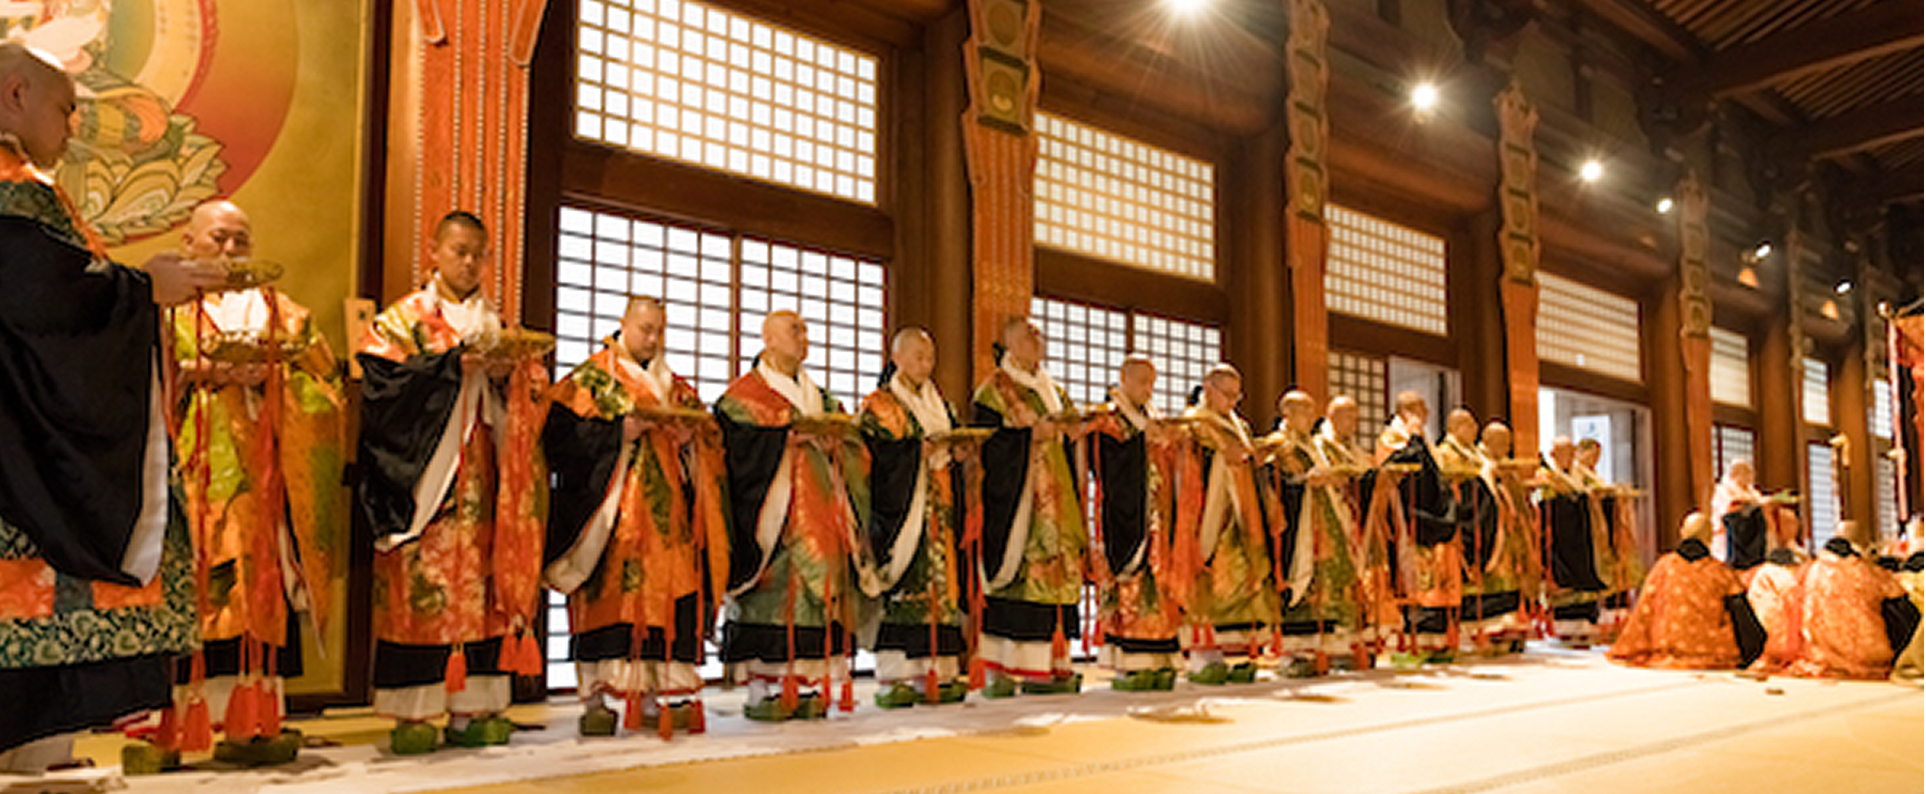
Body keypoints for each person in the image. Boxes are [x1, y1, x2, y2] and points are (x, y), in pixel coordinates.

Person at [0, 41, 227, 767]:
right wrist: (141, 290)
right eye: (65, 109)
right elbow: (43, 299)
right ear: (15, 95)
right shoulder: (10, 192)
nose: (71, 128)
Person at [356, 211, 550, 753]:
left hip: (486, 477)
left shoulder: (500, 327)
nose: (469, 262)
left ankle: (476, 708)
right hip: (427, 481)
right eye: (460, 251)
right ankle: (414, 711)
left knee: (483, 590)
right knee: (423, 589)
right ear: (434, 252)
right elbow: (381, 390)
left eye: (478, 254)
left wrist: (510, 377)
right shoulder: (401, 321)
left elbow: (536, 391)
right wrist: (449, 371)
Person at [163, 200, 346, 764]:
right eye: (217, 237)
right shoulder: (166, 310)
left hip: (267, 477)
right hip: (192, 474)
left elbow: (329, 389)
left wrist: (274, 379)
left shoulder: (283, 314)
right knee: (195, 588)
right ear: (189, 242)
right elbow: (130, 385)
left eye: (240, 239)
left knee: (260, 590)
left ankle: (253, 722)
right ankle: (178, 725)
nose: (229, 249)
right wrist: (196, 374)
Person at [542, 297, 729, 737]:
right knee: (609, 600)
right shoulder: (592, 379)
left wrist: (689, 442)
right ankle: (597, 700)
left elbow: (711, 441)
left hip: (668, 522)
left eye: (659, 330)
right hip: (612, 517)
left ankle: (651, 698)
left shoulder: (677, 389)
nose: (652, 338)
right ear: (623, 324)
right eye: (645, 328)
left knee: (668, 602)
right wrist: (616, 434)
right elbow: (557, 442)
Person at [716, 311, 877, 720]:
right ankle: (765, 691)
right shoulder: (742, 399)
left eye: (805, 330)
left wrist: (839, 444)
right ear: (767, 338)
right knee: (772, 601)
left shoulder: (822, 400)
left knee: (816, 601)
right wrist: (781, 442)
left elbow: (856, 447)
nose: (803, 337)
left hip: (822, 516)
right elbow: (733, 456)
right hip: (773, 521)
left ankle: (808, 687)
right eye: (794, 330)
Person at [971, 318, 1086, 696]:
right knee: (1021, 579)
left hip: (1058, 501)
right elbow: (989, 447)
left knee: (1057, 581)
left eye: (1038, 335)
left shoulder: (1055, 391)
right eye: (1026, 336)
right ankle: (1004, 668)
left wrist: (1074, 437)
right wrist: (1029, 437)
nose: (1036, 341)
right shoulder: (994, 391)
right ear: (1007, 344)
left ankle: (1052, 665)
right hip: (1020, 503)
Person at [858, 328, 970, 707]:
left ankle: (939, 671)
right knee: (905, 588)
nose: (926, 364)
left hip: (940, 506)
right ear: (897, 358)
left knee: (942, 589)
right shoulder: (879, 406)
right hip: (903, 510)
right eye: (919, 356)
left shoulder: (943, 406)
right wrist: (911, 454)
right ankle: (895, 675)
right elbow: (871, 458)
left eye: (930, 357)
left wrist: (957, 454)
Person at [1166, 366, 1277, 685]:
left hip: (1242, 510)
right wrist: (1219, 456)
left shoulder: (1239, 425)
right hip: (1207, 510)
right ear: (1208, 388)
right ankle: (1204, 656)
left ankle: (1239, 653)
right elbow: (1183, 464)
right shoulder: (1194, 422)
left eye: (1236, 396)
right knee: (1210, 580)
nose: (1231, 401)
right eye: (1226, 394)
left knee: (1243, 576)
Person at [1082, 357, 1182, 691]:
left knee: (1159, 585)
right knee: (1130, 585)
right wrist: (1141, 441)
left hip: (1156, 515)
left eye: (1152, 383)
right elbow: (1105, 465)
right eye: (1142, 381)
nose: (1148, 389)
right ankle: (1129, 663)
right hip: (1125, 514)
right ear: (1123, 378)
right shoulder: (1107, 420)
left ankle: (1160, 657)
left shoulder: (1153, 417)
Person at [1268, 390, 1363, 676]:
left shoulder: (1312, 446)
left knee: (1330, 582)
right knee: (1301, 585)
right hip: (1297, 523)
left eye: (1312, 413)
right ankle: (1295, 653)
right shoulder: (1279, 445)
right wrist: (1304, 481)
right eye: (1304, 412)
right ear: (1287, 414)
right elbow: (1275, 484)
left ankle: (1329, 647)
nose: (1311, 418)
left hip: (1323, 519)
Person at [1606, 513, 1763, 669]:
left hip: (1668, 648)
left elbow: (1644, 611)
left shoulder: (1664, 567)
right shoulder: (1721, 573)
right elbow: (1742, 617)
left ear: (1683, 533)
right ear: (1709, 536)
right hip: (1715, 652)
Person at [1374, 391, 1461, 662]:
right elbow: (1398, 469)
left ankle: (1436, 642)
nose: (1426, 414)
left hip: (1429, 515)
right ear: (1406, 411)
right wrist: (1413, 438)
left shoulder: (1423, 439)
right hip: (1408, 515)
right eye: (1421, 409)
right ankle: (1412, 642)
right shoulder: (1391, 438)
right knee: (1412, 580)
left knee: (1433, 579)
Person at [1781, 521, 1919, 679]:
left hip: (1816, 651)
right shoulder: (1863, 569)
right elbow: (1896, 593)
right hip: (1867, 649)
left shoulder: (1806, 571)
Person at [1316, 396, 1396, 658]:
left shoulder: (1358, 452)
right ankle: (1336, 642)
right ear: (1332, 416)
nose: (1354, 423)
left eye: (1355, 417)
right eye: (1348, 417)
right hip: (1334, 518)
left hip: (1361, 521)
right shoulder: (1321, 447)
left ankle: (1362, 639)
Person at [1473, 421, 1542, 653]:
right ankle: (1491, 633)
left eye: (1507, 443)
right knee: (1494, 581)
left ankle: (1512, 629)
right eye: (1501, 442)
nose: (1505, 447)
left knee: (1514, 580)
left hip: (1512, 533)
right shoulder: (1478, 462)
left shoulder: (1505, 465)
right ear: (1487, 441)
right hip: (1494, 531)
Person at [1538, 437, 1611, 645]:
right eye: (1563, 452)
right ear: (1553, 454)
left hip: (1581, 531)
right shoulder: (1547, 475)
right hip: (1560, 531)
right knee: (1564, 576)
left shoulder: (1582, 474)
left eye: (1570, 452)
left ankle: (1587, 620)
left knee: (1585, 571)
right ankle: (1565, 626)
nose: (1567, 457)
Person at [1575, 438, 1644, 625]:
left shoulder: (1593, 474)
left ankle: (1616, 606)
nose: (1594, 459)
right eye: (1591, 454)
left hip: (1604, 519)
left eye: (1597, 456)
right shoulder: (1577, 473)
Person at [1711, 459, 1796, 569]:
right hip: (1732, 533)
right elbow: (1727, 509)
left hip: (1754, 530)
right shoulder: (1723, 490)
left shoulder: (1752, 491)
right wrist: (1747, 502)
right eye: (1742, 472)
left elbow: (1760, 502)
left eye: (1748, 473)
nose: (1746, 476)